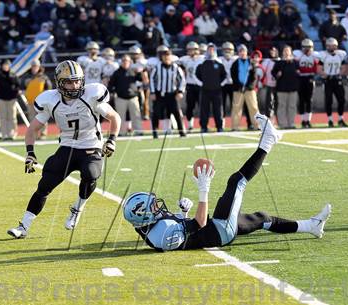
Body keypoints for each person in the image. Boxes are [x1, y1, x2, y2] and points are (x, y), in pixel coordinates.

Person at [123, 113, 332, 251]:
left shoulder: (149, 226)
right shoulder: (162, 233)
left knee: (261, 218)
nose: (157, 206)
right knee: (236, 182)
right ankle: (269, 141)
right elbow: (198, 225)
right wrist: (203, 191)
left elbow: (186, 228)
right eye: (152, 207)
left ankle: (312, 226)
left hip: (214, 229)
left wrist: (183, 214)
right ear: (144, 216)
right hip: (219, 230)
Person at [7, 60, 121, 239]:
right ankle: (23, 226)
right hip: (67, 147)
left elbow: (115, 117)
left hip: (91, 146)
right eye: (69, 81)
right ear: (59, 82)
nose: (74, 85)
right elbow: (32, 129)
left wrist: (112, 140)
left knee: (91, 174)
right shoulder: (51, 101)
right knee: (44, 186)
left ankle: (77, 208)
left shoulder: (91, 96)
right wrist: (30, 153)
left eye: (77, 81)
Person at [150, 48, 186, 139]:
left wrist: (180, 91)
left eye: (168, 56)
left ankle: (181, 132)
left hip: (172, 94)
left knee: (177, 113)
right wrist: (153, 92)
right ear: (162, 57)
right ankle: (155, 132)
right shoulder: (157, 67)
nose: (166, 58)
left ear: (171, 57)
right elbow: (152, 80)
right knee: (156, 113)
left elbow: (182, 80)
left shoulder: (176, 67)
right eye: (164, 56)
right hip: (160, 94)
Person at [108, 54, 142, 136]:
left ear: (130, 62)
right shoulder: (116, 73)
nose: (125, 62)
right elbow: (111, 85)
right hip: (120, 98)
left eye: (127, 60)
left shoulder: (134, 71)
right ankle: (120, 132)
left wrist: (140, 72)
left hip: (133, 97)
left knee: (136, 115)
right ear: (121, 62)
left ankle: (138, 131)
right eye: (123, 60)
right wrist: (113, 93)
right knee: (120, 117)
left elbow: (141, 80)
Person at [195, 42, 226, 133]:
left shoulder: (219, 64)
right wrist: (202, 84)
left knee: (218, 109)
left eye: (213, 49)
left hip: (217, 91)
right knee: (204, 110)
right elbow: (196, 75)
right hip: (205, 91)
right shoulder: (202, 64)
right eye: (209, 49)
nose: (211, 51)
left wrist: (219, 84)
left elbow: (224, 76)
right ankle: (204, 127)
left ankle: (219, 127)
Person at [317, 38, 347, 127]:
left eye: (333, 45)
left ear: (336, 46)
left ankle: (341, 119)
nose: (331, 47)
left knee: (341, 100)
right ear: (326, 46)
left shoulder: (341, 54)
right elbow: (319, 69)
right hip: (328, 80)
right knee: (328, 100)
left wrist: (339, 74)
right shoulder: (323, 55)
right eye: (329, 45)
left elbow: (344, 67)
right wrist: (325, 74)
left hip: (337, 79)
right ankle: (330, 120)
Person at [230, 44, 259, 130]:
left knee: (254, 107)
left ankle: (257, 125)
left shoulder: (251, 62)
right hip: (238, 89)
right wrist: (239, 85)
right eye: (240, 51)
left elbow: (254, 77)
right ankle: (235, 127)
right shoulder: (235, 64)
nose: (242, 53)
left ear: (246, 52)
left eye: (244, 51)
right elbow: (233, 76)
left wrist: (248, 86)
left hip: (249, 89)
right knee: (236, 108)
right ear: (238, 53)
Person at [22, 59, 52, 138]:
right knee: (32, 119)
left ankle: (42, 133)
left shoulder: (44, 77)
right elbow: (23, 88)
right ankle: (34, 134)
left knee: (43, 117)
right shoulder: (27, 77)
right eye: (33, 66)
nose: (34, 68)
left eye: (36, 66)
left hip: (41, 102)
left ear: (39, 67)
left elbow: (48, 88)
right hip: (31, 101)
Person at [272, 45, 300, 129]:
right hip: (281, 88)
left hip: (293, 88)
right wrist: (277, 75)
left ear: (291, 52)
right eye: (285, 51)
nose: (286, 53)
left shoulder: (295, 62)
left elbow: (298, 72)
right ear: (282, 53)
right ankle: (283, 124)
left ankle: (291, 123)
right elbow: (273, 72)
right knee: (282, 106)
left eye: (288, 51)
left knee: (292, 106)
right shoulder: (279, 62)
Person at [178, 41, 204, 131]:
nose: (191, 52)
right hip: (190, 85)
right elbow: (175, 62)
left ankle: (203, 124)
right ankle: (190, 125)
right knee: (190, 106)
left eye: (193, 50)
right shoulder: (184, 59)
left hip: (200, 85)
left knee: (202, 106)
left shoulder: (202, 58)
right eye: (189, 50)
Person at [0, 59, 21, 140]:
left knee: (12, 117)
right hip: (1, 99)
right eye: (4, 65)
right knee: (3, 117)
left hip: (12, 99)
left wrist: (14, 92)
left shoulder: (13, 75)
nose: (6, 66)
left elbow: (18, 85)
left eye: (7, 65)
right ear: (1, 66)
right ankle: (4, 134)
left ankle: (12, 134)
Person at [294, 39, 318, 128]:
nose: (307, 49)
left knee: (309, 100)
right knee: (301, 99)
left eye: (309, 47)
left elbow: (317, 67)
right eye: (305, 47)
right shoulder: (298, 55)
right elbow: (296, 65)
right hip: (300, 78)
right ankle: (303, 120)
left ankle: (308, 120)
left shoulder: (315, 56)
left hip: (310, 78)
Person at [219, 41, 238, 123]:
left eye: (229, 50)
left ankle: (234, 122)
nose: (227, 52)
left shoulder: (236, 59)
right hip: (222, 84)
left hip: (233, 84)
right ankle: (222, 121)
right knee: (221, 104)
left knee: (234, 104)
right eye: (225, 50)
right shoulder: (219, 59)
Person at [261, 46, 279, 119]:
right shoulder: (266, 61)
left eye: (274, 51)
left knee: (278, 103)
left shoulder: (280, 60)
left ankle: (279, 119)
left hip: (279, 86)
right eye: (271, 51)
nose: (272, 52)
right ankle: (269, 118)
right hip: (269, 85)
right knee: (269, 102)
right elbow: (262, 71)